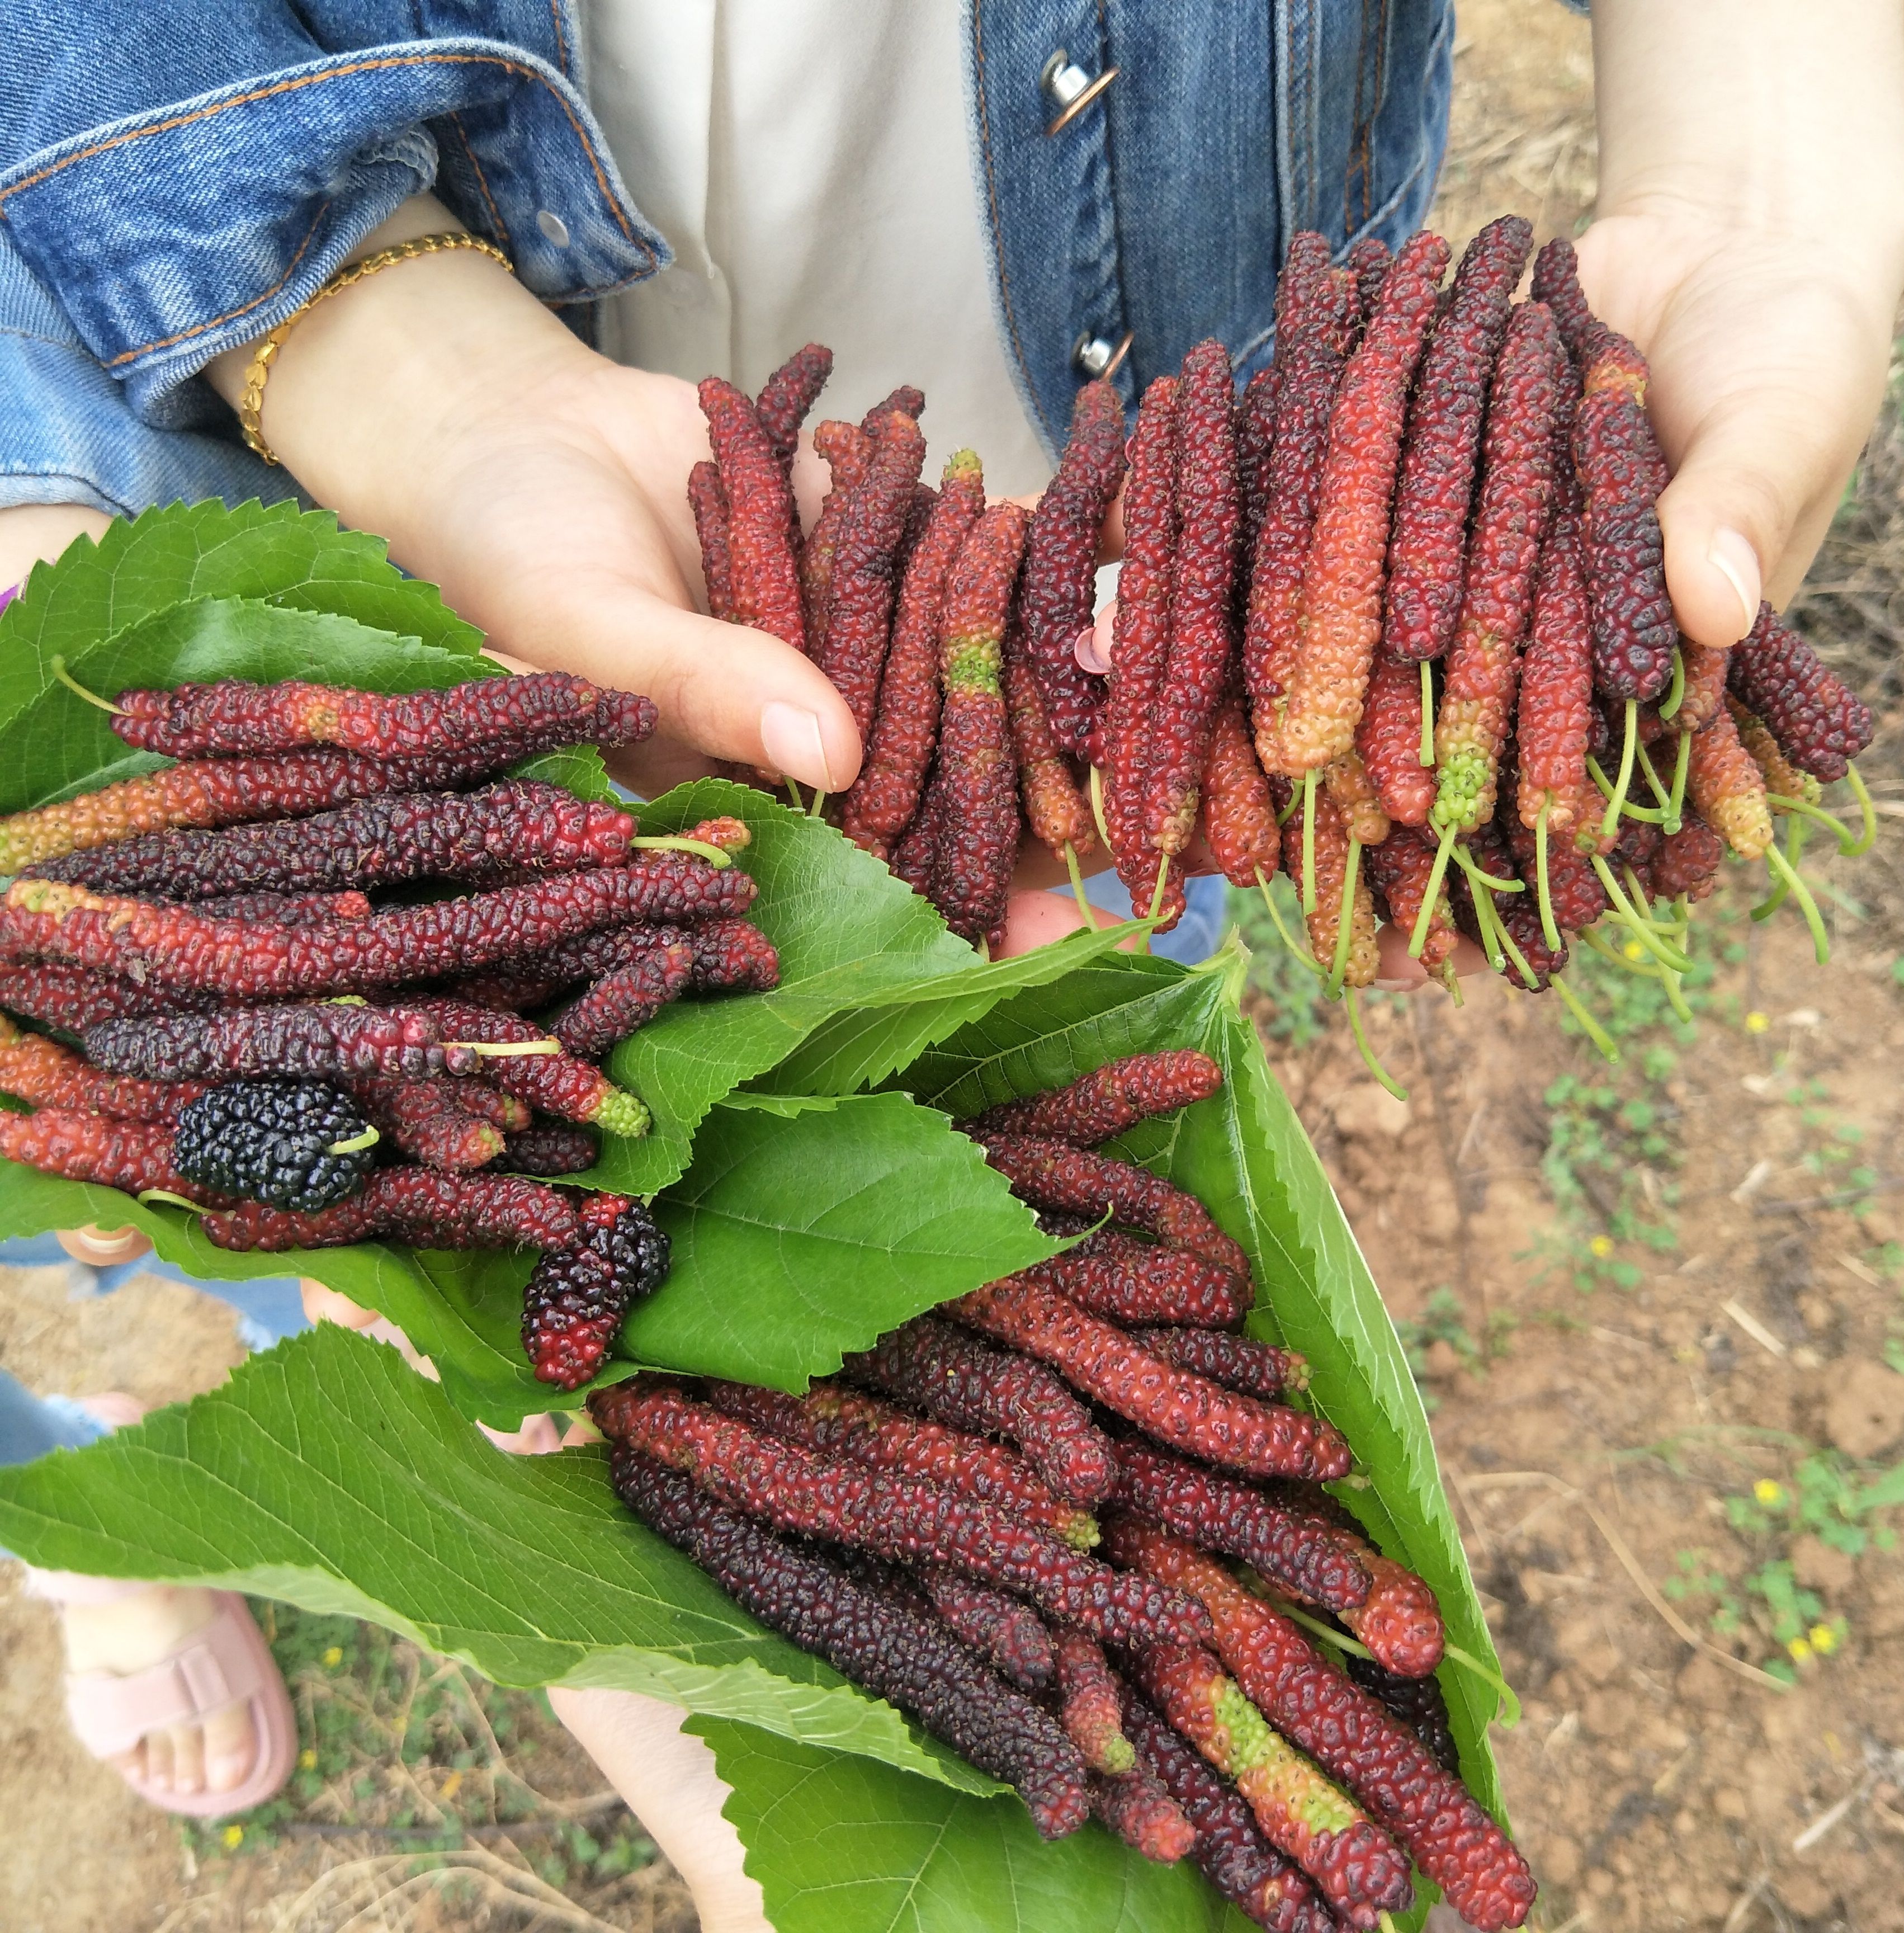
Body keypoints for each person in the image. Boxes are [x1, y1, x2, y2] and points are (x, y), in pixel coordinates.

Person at [2, 0, 1902, 1916]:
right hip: (300, 459)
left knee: (899, 1099)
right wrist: (375, 342)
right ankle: (92, 1523)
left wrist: (1758, 181)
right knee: (235, 1131)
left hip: (1124, 636)